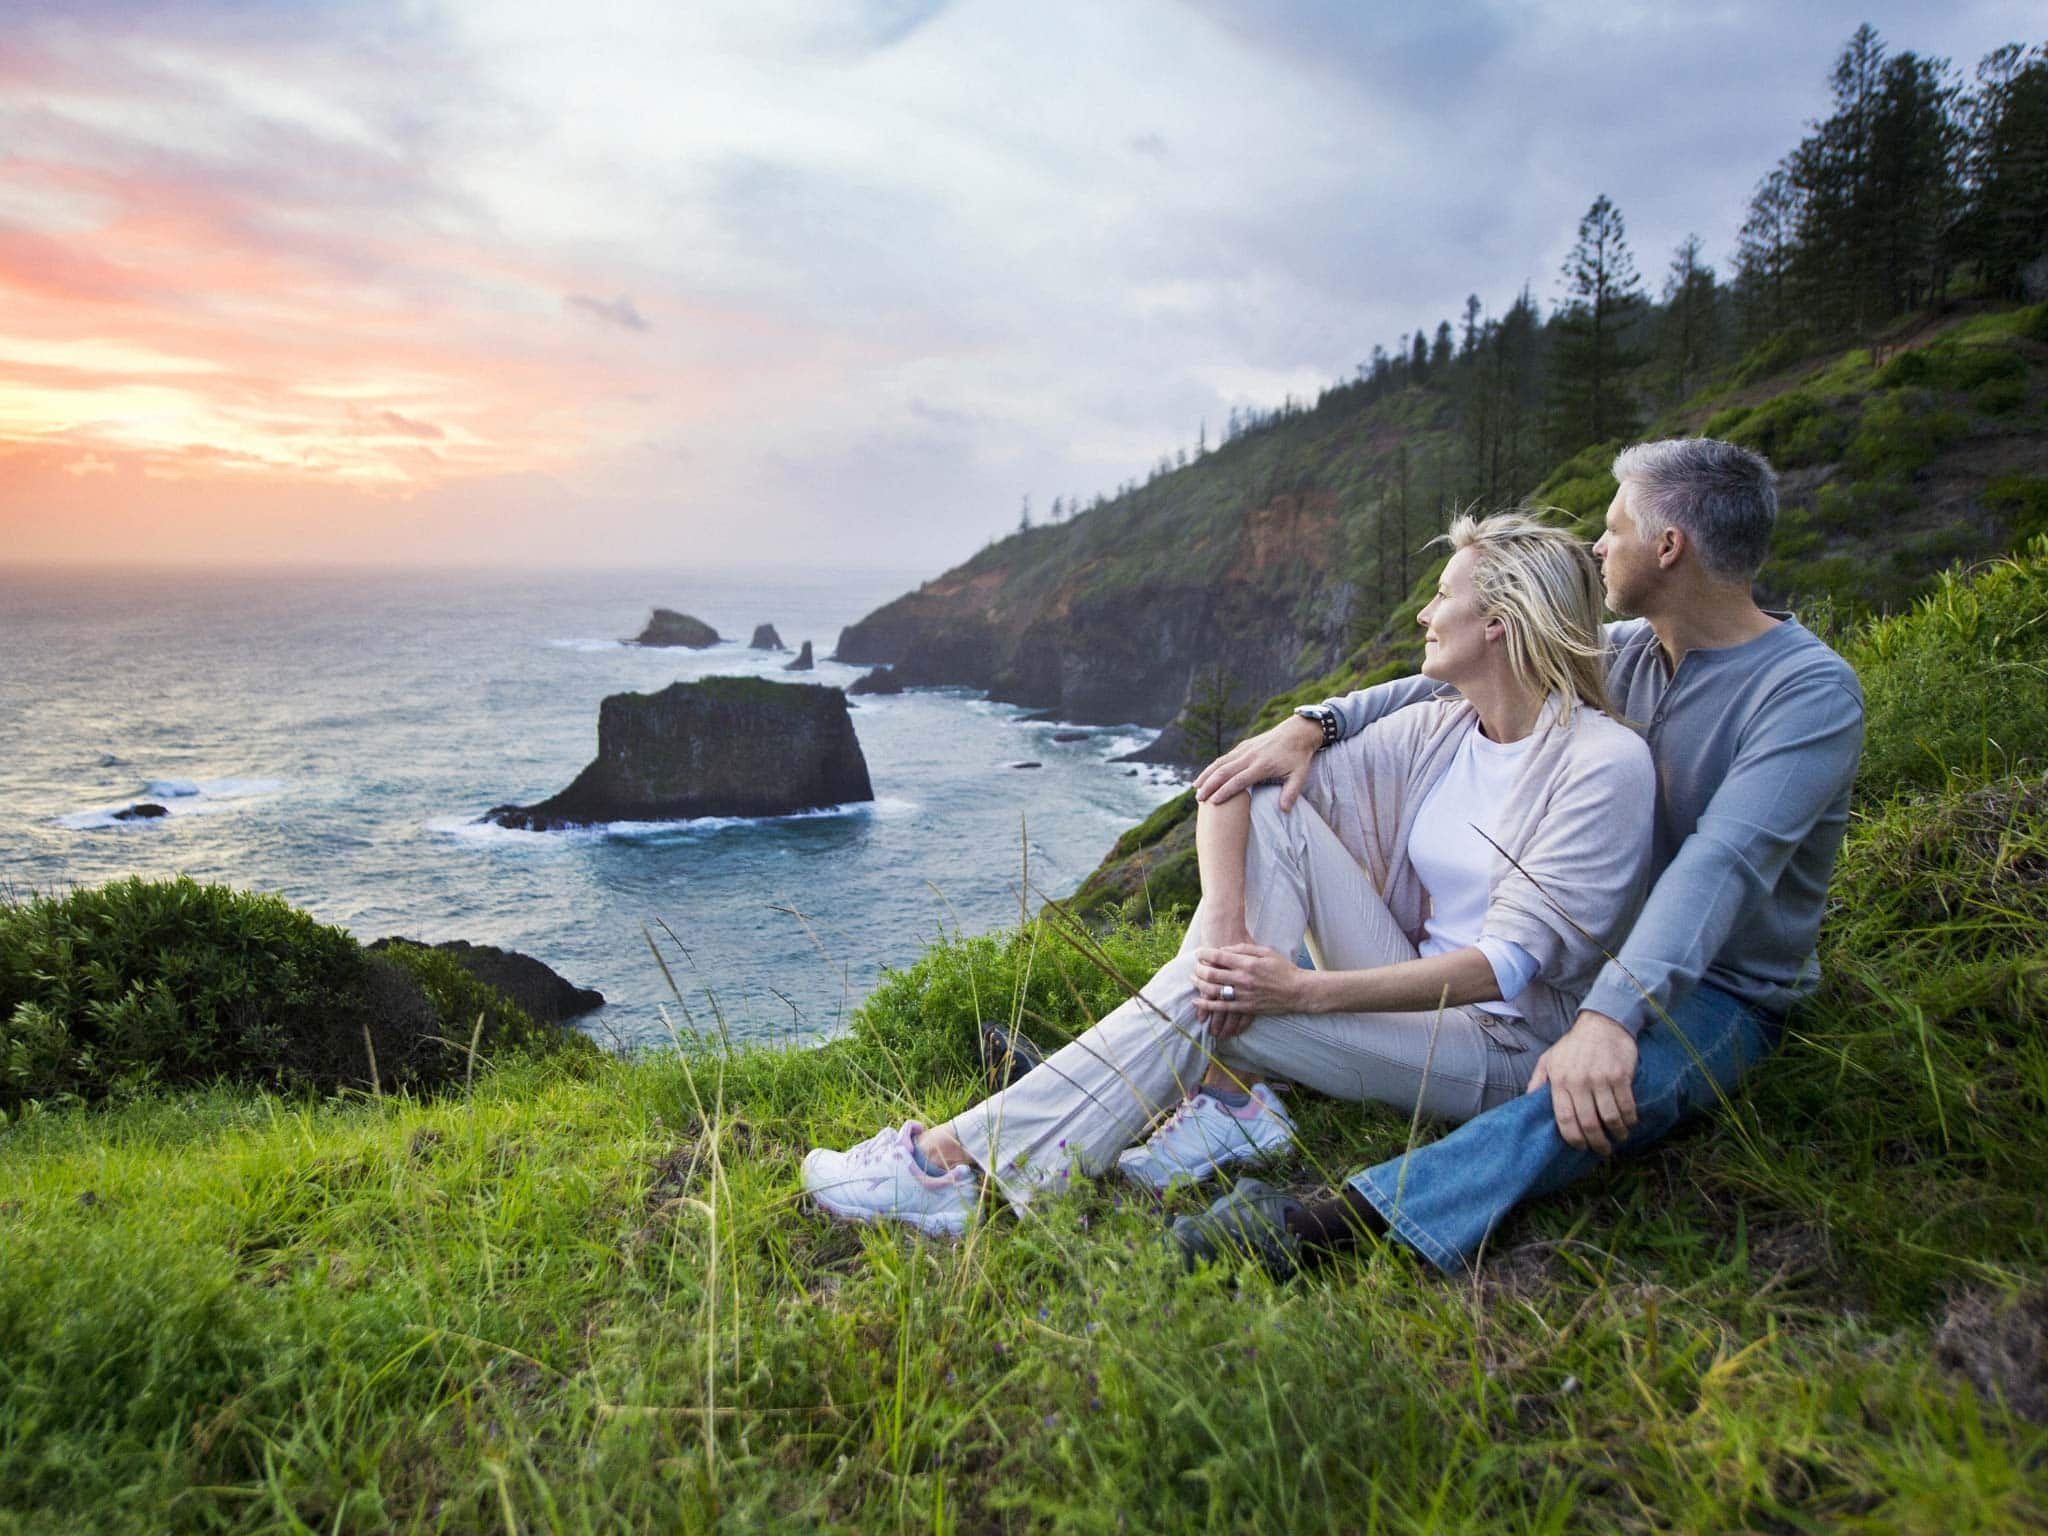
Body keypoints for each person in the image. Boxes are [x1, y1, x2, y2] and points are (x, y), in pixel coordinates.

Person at [801, 511, 1656, 1236]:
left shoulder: (1600, 763)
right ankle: (1228, 1102)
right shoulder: (1443, 728)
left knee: (1221, 1004)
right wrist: (1219, 922)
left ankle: (955, 1168)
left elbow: (1505, 967)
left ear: (1500, 622)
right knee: (1262, 854)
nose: (1427, 612)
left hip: (1500, 1044)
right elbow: (1234, 782)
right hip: (1398, 981)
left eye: (1445, 597)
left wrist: (1297, 993)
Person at [1178, 436, 1864, 1276]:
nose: (1599, 547)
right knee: (1238, 975)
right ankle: (1150, 1084)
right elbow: (1464, 670)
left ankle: (1340, 1220)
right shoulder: (1630, 650)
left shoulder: (1806, 693)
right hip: (1594, 956)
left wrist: (1612, 1018)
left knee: (1583, 1098)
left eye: (1614, 528)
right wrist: (1318, 722)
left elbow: (1720, 864)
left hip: (1724, 985)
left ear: (1669, 547)